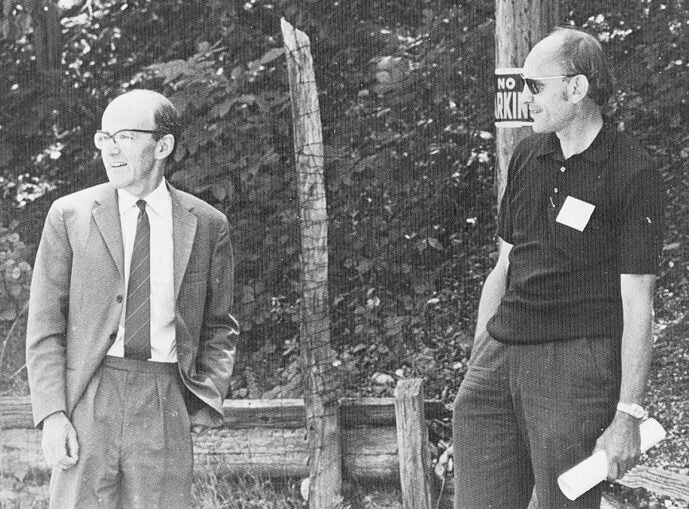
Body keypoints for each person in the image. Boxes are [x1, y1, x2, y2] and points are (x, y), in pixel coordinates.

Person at [452, 27, 665, 509]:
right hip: (498, 356)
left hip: (573, 365)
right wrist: (478, 358)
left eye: (534, 86)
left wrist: (627, 415)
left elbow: (639, 302)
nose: (526, 98)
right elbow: (504, 265)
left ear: (576, 88)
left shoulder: (632, 171)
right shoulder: (528, 155)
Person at [26, 89, 239, 509]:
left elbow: (220, 324)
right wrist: (53, 414)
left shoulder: (208, 225)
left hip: (163, 397)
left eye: (124, 136)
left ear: (163, 145)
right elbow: (45, 325)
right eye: (104, 138)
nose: (110, 150)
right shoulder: (69, 215)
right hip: (89, 393)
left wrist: (202, 396)